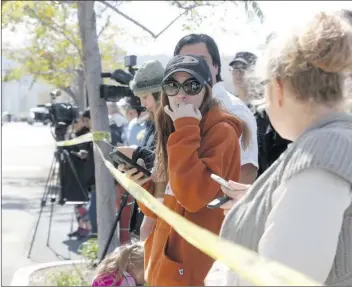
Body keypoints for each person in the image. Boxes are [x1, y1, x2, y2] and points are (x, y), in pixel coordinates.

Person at [206, 11, 352, 286]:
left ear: (279, 87)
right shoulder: (328, 145)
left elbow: (283, 278)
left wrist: (220, 276)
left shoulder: (320, 151)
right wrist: (263, 200)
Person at [120, 55, 248, 286]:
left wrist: (186, 126)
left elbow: (192, 197)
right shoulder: (176, 126)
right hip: (165, 261)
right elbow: (167, 201)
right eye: (172, 85)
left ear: (206, 90)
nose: (181, 93)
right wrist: (143, 185)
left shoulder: (220, 132)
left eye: (191, 85)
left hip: (191, 268)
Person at [174, 34, 258, 184]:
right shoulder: (177, 107)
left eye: (202, 60)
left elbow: (246, 171)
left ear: (216, 67)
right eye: (186, 61)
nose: (194, 66)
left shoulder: (234, 110)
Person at [116, 60, 165, 240]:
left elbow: (167, 163)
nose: (143, 104)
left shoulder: (172, 123)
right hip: (146, 208)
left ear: (159, 94)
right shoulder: (153, 122)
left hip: (159, 216)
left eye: (145, 97)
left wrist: (137, 155)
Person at [230, 50, 291, 176]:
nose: (238, 73)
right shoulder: (227, 106)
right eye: (235, 68)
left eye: (243, 68)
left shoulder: (267, 108)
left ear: (254, 74)